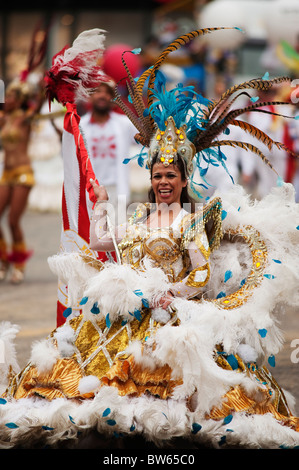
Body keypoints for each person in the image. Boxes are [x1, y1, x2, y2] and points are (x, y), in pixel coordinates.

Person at [0, 27, 299, 450]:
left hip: (174, 313)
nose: (163, 182)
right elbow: (106, 246)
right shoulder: (137, 214)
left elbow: (198, 275)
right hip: (132, 310)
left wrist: (168, 294)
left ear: (182, 180)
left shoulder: (192, 220)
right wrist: (101, 204)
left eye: (170, 176)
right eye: (158, 175)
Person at [0, 79, 42, 284]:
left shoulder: (25, 118)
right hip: (6, 174)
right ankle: (3, 260)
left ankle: (19, 265)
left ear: (19, 101)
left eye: (10, 97)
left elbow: (39, 106)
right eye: (5, 96)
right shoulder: (3, 119)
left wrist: (44, 88)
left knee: (13, 220)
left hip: (23, 173)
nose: (6, 100)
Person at [79, 81, 137, 210]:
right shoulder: (80, 126)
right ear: (90, 96)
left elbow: (147, 142)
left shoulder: (125, 123)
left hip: (117, 190)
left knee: (118, 229)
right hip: (90, 191)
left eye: (107, 93)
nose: (103, 96)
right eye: (98, 91)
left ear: (113, 98)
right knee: (93, 230)